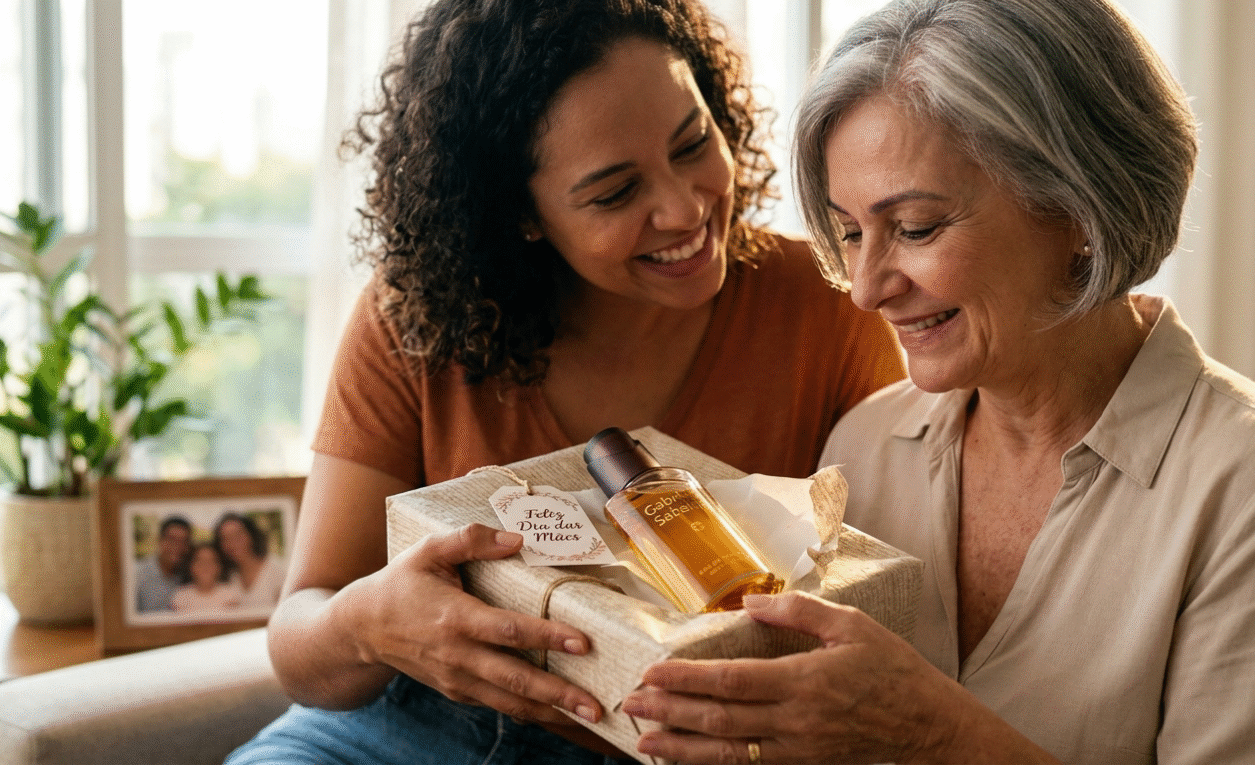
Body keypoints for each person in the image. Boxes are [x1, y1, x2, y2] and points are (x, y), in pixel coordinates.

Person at [618, 1, 1255, 763]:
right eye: (848, 232)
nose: (868, 288)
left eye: (914, 228)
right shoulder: (866, 448)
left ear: (1078, 206)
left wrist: (931, 733)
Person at [227, 0, 905, 763]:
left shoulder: (827, 306)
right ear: (519, 213)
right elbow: (299, 643)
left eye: (692, 143)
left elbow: (879, 608)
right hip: (416, 725)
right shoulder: (414, 320)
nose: (685, 208)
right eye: (615, 193)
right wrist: (370, 624)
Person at [214, 512, 286, 611]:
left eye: (238, 535)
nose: (232, 543)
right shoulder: (228, 577)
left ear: (251, 535)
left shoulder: (277, 570)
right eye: (225, 538)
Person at [134, 515, 192, 613]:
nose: (177, 546)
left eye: (183, 541)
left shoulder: (189, 573)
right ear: (160, 540)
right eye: (171, 539)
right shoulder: (137, 575)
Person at [171, 542, 244, 614]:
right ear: (191, 566)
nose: (205, 566)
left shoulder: (231, 595)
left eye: (211, 561)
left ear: (219, 567)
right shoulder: (180, 597)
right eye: (200, 561)